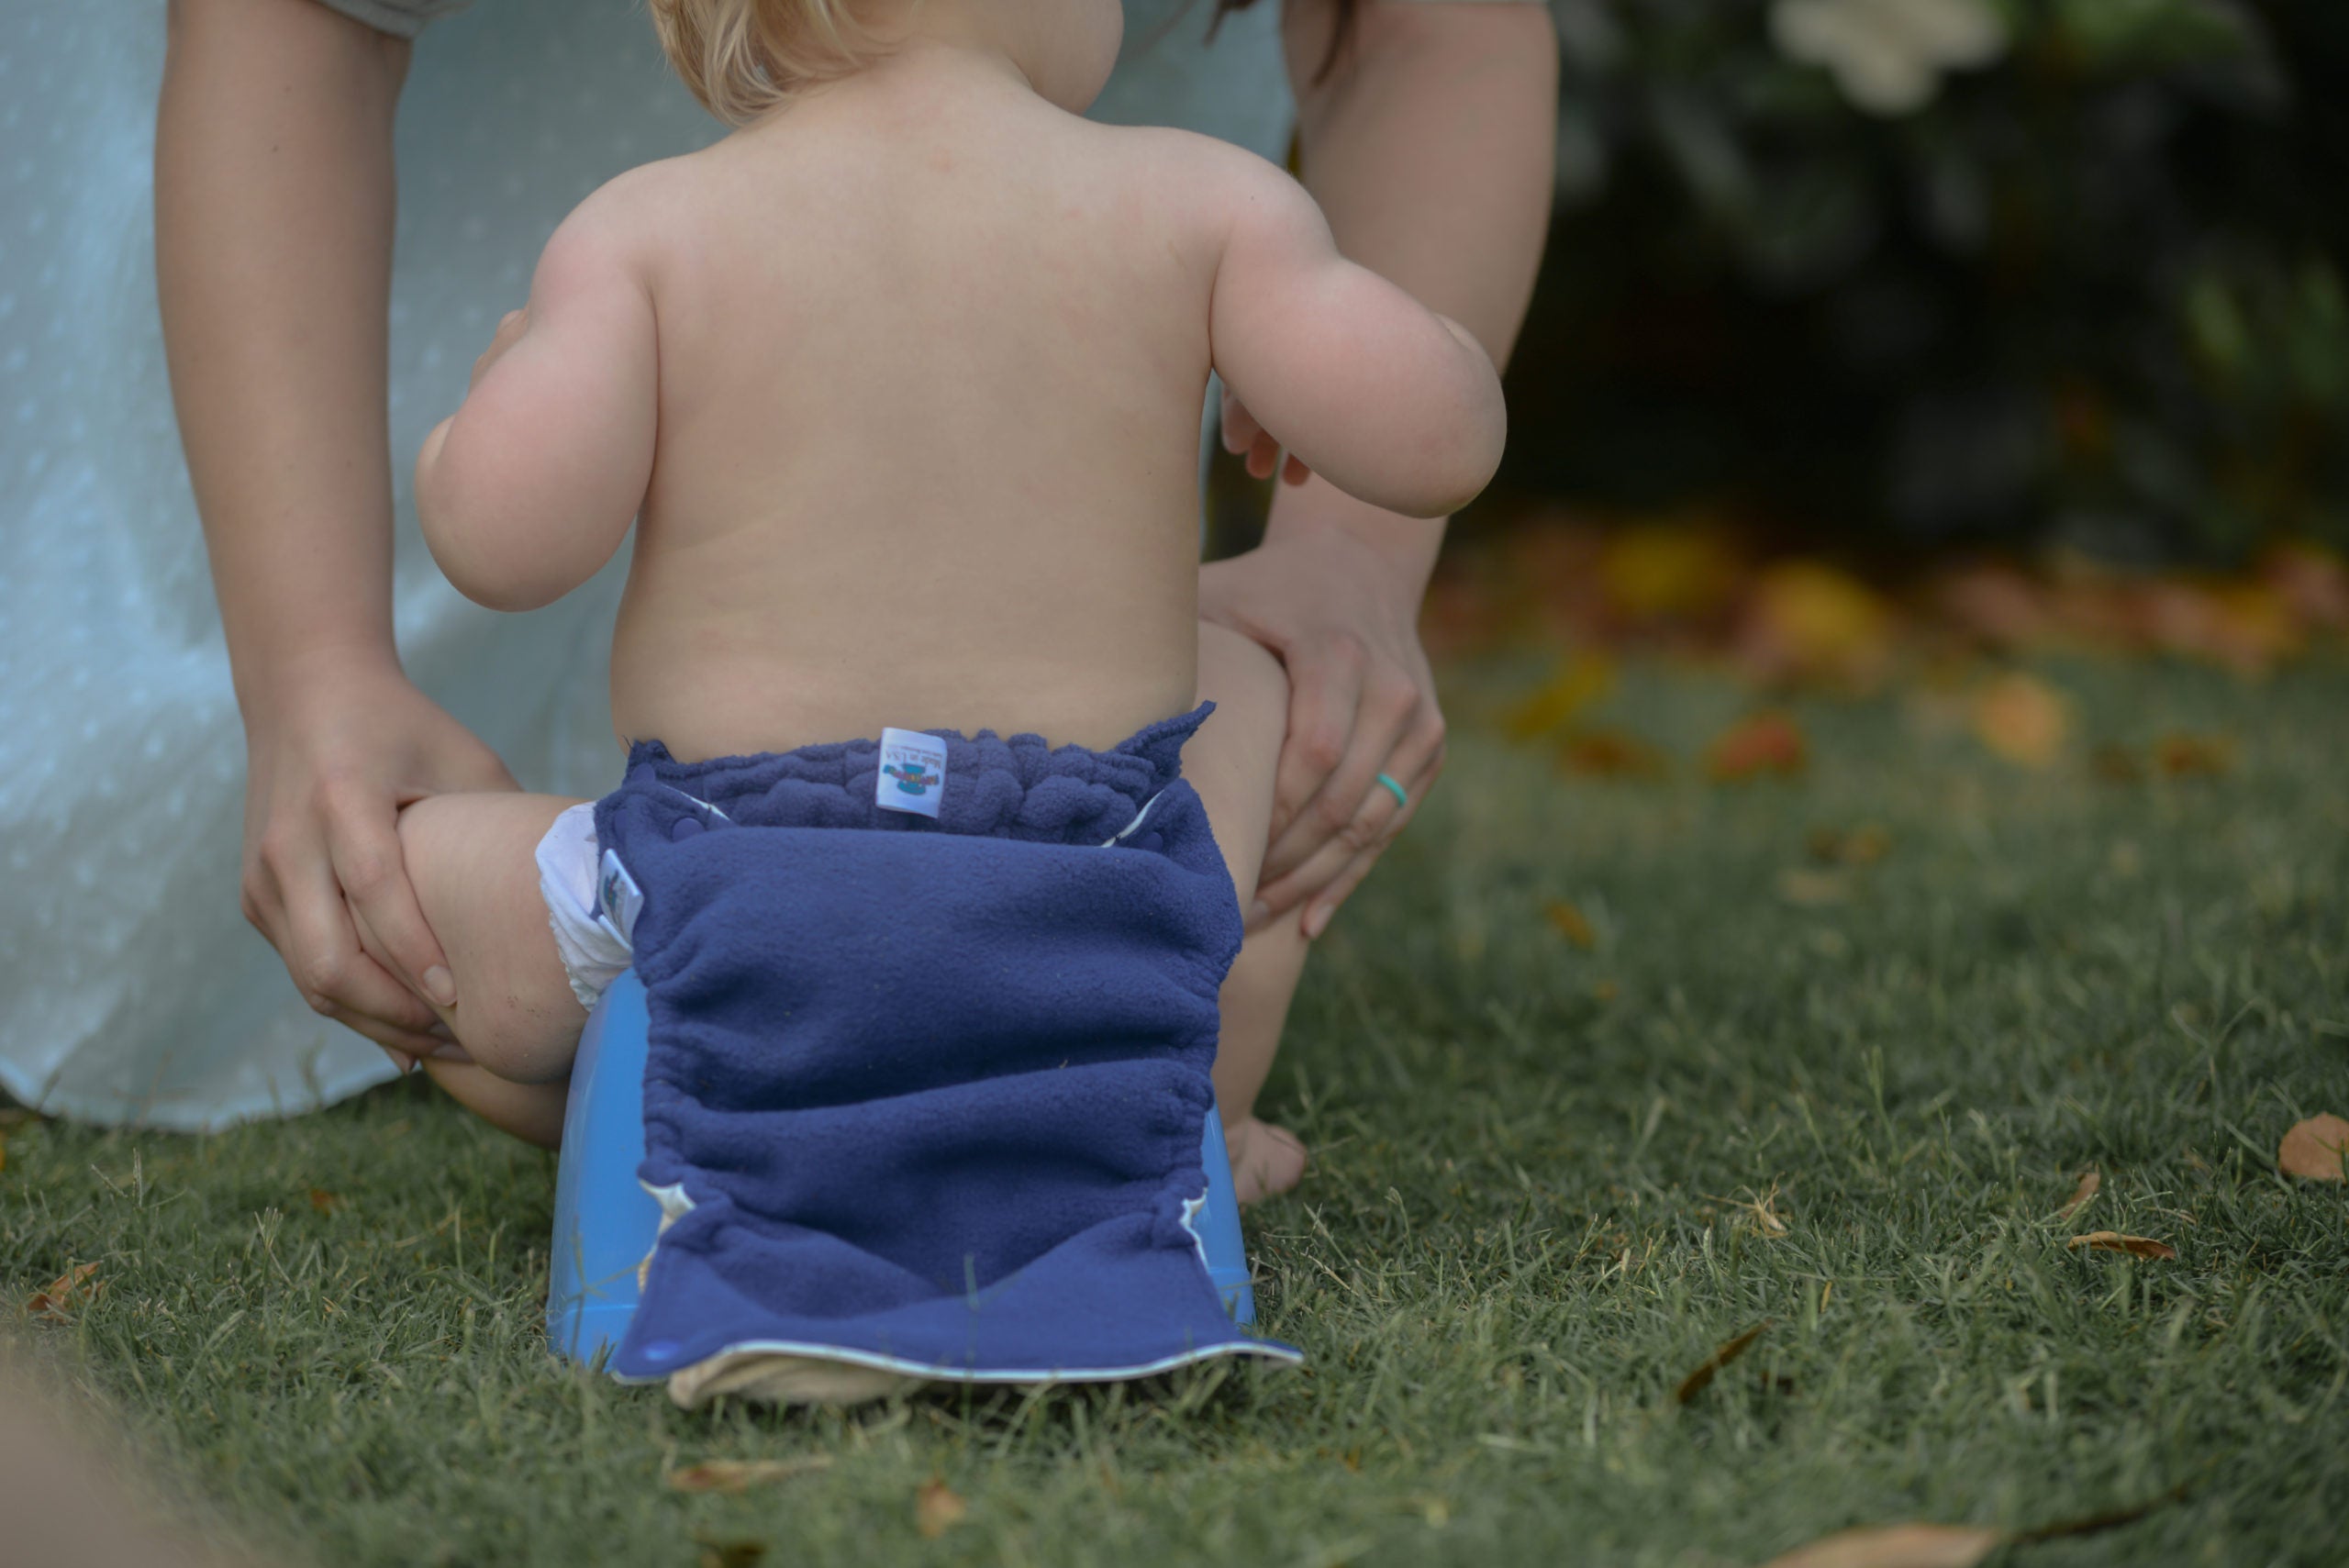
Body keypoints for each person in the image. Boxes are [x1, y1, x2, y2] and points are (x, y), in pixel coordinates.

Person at [149, 0, 1554, 1172]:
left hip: (733, 876)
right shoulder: (1205, 203)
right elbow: (1445, 435)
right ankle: (1195, 1114)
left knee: (432, 867)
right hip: (1081, 883)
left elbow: (503, 548)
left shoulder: (644, 236)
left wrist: (493, 405)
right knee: (1239, 678)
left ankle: (680, 1085)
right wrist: (1321, 375)